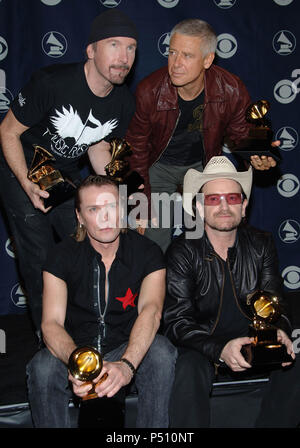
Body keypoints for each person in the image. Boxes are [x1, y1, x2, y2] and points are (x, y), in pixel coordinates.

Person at [0, 9, 138, 331]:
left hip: (59, 174)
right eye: (114, 45)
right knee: (40, 259)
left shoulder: (123, 103)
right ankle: (48, 338)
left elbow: (97, 144)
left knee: (83, 245)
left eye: (131, 47)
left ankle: (88, 327)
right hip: (16, 166)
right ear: (91, 50)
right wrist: (25, 182)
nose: (124, 57)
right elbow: (7, 132)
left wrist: (116, 196)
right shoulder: (52, 82)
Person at [26, 174, 177, 428]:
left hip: (125, 346)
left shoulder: (148, 252)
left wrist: (127, 365)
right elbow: (51, 323)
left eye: (111, 207)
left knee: (161, 352)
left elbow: (151, 312)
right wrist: (81, 363)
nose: (105, 217)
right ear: (80, 217)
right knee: (42, 368)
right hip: (75, 348)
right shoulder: (61, 255)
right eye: (94, 209)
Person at [163, 155, 296, 428]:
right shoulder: (182, 250)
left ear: (244, 205)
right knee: (188, 368)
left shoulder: (261, 243)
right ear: (199, 208)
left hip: (252, 340)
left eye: (233, 198)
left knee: (295, 366)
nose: (224, 206)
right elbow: (177, 322)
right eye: (213, 199)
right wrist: (219, 349)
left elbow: (275, 302)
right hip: (203, 346)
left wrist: (280, 328)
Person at [125, 18, 278, 252]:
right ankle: (154, 287)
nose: (175, 63)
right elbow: (135, 149)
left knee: (212, 230)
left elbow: (241, 135)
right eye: (172, 52)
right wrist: (142, 205)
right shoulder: (149, 90)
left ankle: (208, 284)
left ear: (207, 60)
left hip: (201, 165)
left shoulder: (230, 88)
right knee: (151, 235)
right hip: (157, 166)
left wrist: (259, 152)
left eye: (187, 55)